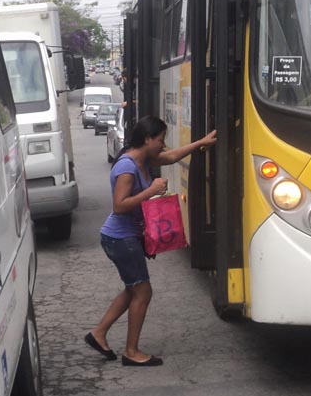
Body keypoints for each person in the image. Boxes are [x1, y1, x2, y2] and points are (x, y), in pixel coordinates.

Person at [85, 116, 217, 367]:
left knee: (132, 289)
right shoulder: (127, 167)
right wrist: (152, 190)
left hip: (126, 237)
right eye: (159, 140)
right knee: (143, 292)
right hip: (119, 238)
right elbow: (119, 206)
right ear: (146, 139)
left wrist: (201, 143)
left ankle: (99, 333)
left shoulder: (141, 159)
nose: (162, 145)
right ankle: (131, 351)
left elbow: (170, 157)